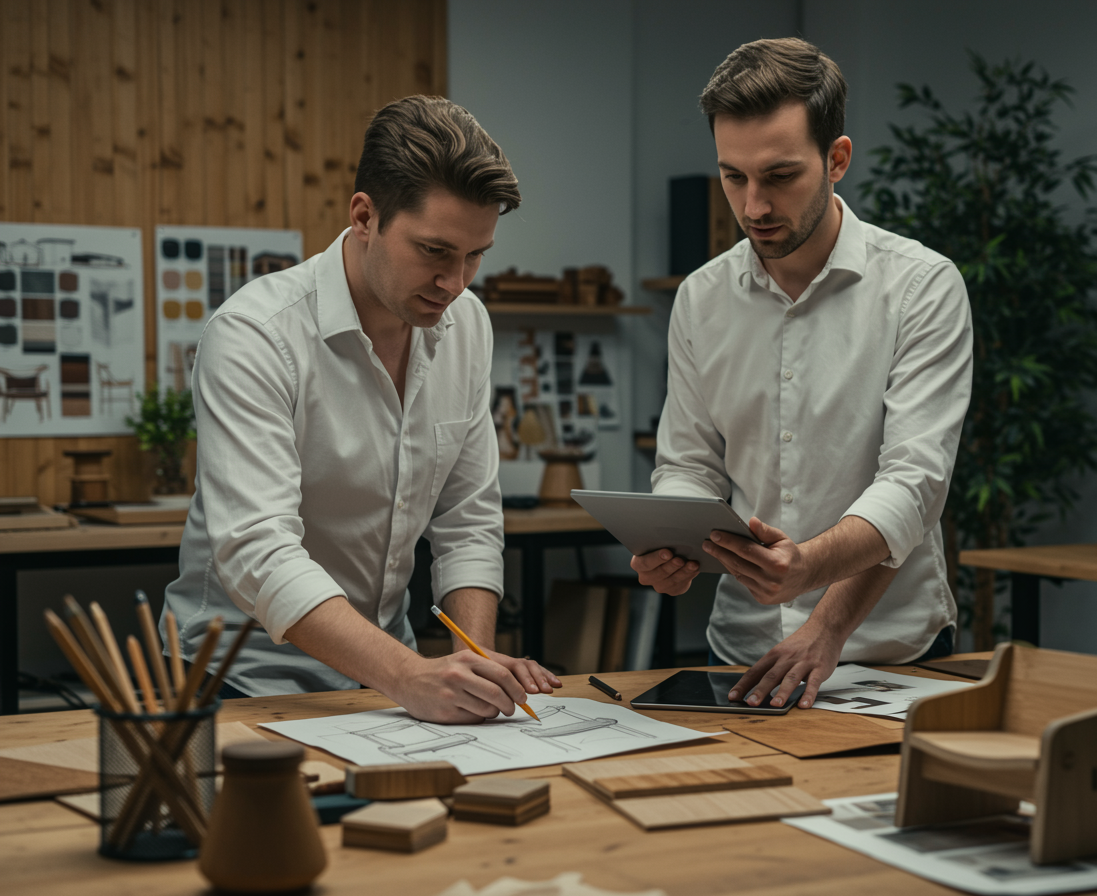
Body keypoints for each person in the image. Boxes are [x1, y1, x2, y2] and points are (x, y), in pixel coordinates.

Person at [163, 96, 560, 723]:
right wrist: (408, 675)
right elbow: (256, 549)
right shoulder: (254, 334)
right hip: (238, 680)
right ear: (364, 216)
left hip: (384, 682)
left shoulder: (467, 324)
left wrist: (473, 657)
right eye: (434, 251)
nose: (455, 283)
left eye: (474, 255)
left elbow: (467, 518)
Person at [631, 38, 973, 712]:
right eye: (734, 176)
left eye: (780, 176)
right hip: (740, 654)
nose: (754, 205)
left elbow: (912, 485)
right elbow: (689, 462)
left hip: (888, 661)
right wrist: (670, 543)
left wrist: (821, 607)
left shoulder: (921, 288)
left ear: (836, 159)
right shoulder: (702, 298)